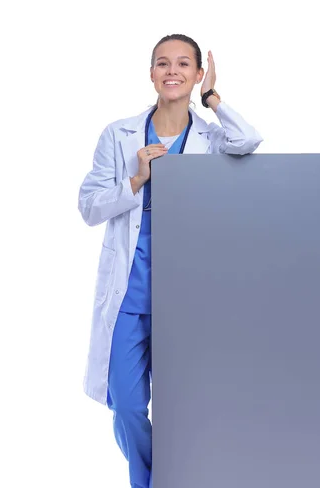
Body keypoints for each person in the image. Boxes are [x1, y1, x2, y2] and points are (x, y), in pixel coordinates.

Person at [78, 34, 263, 488]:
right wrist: (137, 180)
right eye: (163, 63)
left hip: (185, 298)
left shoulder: (211, 138)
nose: (172, 71)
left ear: (198, 74)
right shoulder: (119, 134)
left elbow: (249, 141)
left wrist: (214, 100)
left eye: (184, 64)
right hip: (128, 294)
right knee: (124, 403)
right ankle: (152, 480)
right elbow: (89, 207)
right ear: (151, 73)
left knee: (185, 409)